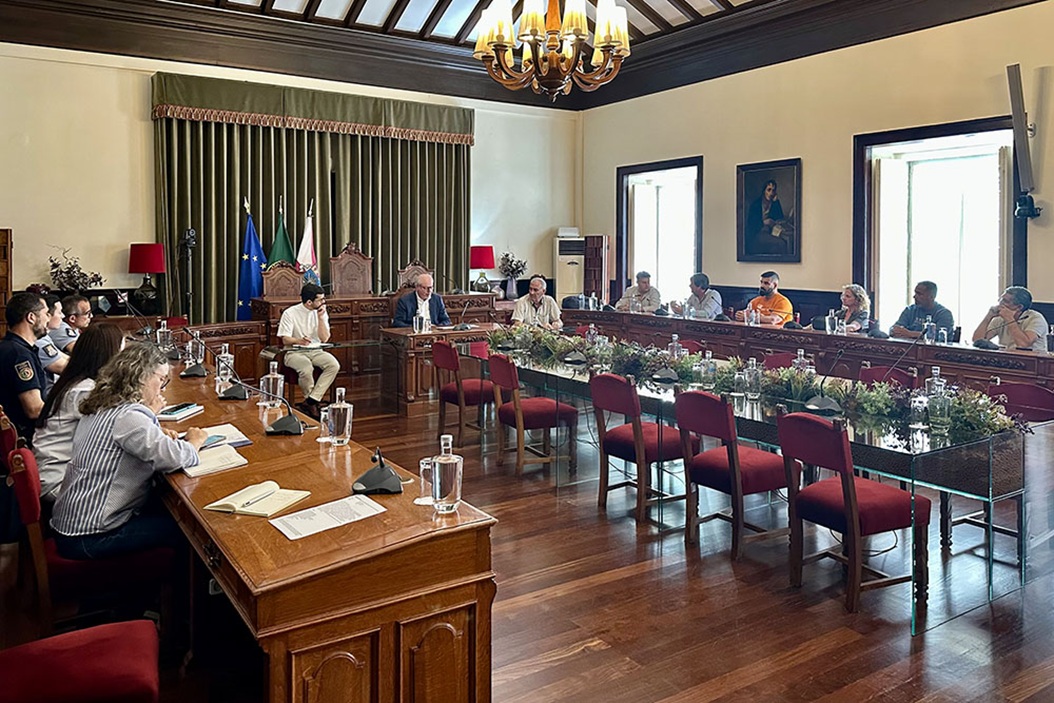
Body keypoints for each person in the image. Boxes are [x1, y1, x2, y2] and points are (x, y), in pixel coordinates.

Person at [50, 343, 207, 559]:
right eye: (161, 380)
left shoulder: (102, 404)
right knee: (188, 530)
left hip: (71, 523)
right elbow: (174, 458)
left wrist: (157, 432)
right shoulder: (129, 417)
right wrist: (194, 442)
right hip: (89, 536)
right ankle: (175, 592)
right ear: (142, 376)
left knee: (165, 506)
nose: (162, 388)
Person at [33, 323, 125, 504]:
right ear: (110, 357)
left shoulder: (76, 381)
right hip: (60, 484)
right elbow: (121, 430)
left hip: (55, 473)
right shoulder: (85, 391)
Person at [277, 283, 340, 420]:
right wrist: (298, 340)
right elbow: (285, 340)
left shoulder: (321, 313)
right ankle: (311, 404)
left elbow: (324, 338)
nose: (324, 302)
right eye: (320, 299)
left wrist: (321, 318)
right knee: (306, 368)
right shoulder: (290, 313)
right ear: (309, 302)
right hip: (294, 352)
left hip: (316, 350)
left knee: (333, 365)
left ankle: (312, 401)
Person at [0, 291, 49, 443]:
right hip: (27, 437)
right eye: (46, 313)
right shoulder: (20, 355)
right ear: (31, 317)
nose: (48, 319)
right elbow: (33, 409)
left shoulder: (8, 346)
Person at [972, 286, 1048, 352]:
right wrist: (988, 317)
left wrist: (1010, 319)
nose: (1000, 304)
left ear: (1019, 307)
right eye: (1000, 300)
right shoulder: (999, 318)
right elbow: (977, 340)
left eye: (1005, 301)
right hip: (1008, 359)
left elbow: (1023, 344)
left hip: (1034, 363)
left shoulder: (1036, 318)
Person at [890, 281, 955, 339]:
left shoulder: (944, 314)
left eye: (919, 294)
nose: (914, 296)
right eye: (915, 293)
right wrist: (894, 331)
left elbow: (938, 336)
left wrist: (909, 334)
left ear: (931, 297)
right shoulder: (910, 310)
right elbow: (894, 329)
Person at [35, 294, 70, 394]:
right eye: (59, 312)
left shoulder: (45, 337)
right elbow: (64, 368)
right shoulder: (39, 342)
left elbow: (66, 358)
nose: (63, 316)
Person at [745, 179, 789, 256]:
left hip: (771, 232)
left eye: (773, 190)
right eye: (769, 190)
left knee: (776, 249)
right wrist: (764, 222)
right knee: (782, 243)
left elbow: (780, 217)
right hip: (758, 234)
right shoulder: (756, 205)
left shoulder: (773, 203)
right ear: (764, 191)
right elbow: (751, 225)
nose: (771, 193)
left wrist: (776, 202)